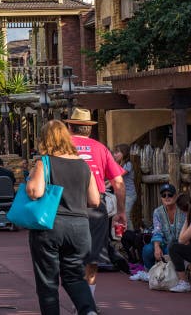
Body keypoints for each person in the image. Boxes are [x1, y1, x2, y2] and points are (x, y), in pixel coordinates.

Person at [26, 120, 100, 315]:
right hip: (80, 227)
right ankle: (88, 311)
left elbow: (35, 191)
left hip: (51, 225)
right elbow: (94, 200)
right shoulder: (83, 165)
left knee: (47, 282)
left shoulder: (45, 162)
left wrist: (32, 177)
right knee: (75, 277)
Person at [66, 107, 126, 301]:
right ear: (89, 129)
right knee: (93, 256)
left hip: (66, 206)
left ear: (70, 127)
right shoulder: (100, 148)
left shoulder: (61, 147)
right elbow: (118, 183)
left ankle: (77, 298)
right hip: (94, 207)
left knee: (69, 256)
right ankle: (88, 301)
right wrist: (121, 211)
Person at [131, 183, 187, 282]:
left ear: (175, 196)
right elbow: (157, 231)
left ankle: (172, 277)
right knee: (148, 249)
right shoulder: (158, 212)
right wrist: (157, 247)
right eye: (164, 195)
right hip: (164, 245)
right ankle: (149, 273)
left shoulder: (182, 211)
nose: (167, 197)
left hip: (179, 247)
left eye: (170, 195)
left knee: (172, 251)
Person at [168, 194, 191, 293]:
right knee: (173, 243)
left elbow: (182, 240)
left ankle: (184, 282)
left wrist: (187, 219)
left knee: (174, 248)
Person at [113, 144, 136, 229]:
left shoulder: (128, 164)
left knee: (126, 215)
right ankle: (121, 236)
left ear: (124, 153)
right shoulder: (119, 165)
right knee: (118, 216)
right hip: (121, 195)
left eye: (117, 152)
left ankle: (132, 237)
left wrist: (106, 184)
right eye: (114, 153)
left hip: (129, 195)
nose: (114, 155)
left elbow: (117, 176)